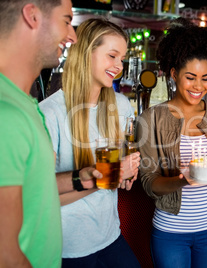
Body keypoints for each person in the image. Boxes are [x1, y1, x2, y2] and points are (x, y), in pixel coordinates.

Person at [39, 18, 141, 267]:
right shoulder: (50, 113)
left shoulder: (122, 106)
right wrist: (109, 178)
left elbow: (121, 165)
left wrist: (128, 174)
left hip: (110, 235)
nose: (119, 66)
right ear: (86, 53)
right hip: (68, 246)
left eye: (122, 58)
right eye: (112, 56)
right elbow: (41, 195)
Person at [136, 17, 207, 268]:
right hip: (170, 232)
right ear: (173, 74)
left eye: (206, 78)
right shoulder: (151, 119)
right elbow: (149, 183)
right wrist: (183, 179)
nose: (199, 86)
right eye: (190, 77)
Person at [0, 0, 77, 267]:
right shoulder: (6, 114)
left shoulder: (23, 103)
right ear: (32, 15)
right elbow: (5, 256)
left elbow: (33, 188)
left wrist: (83, 178)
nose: (73, 36)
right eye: (67, 21)